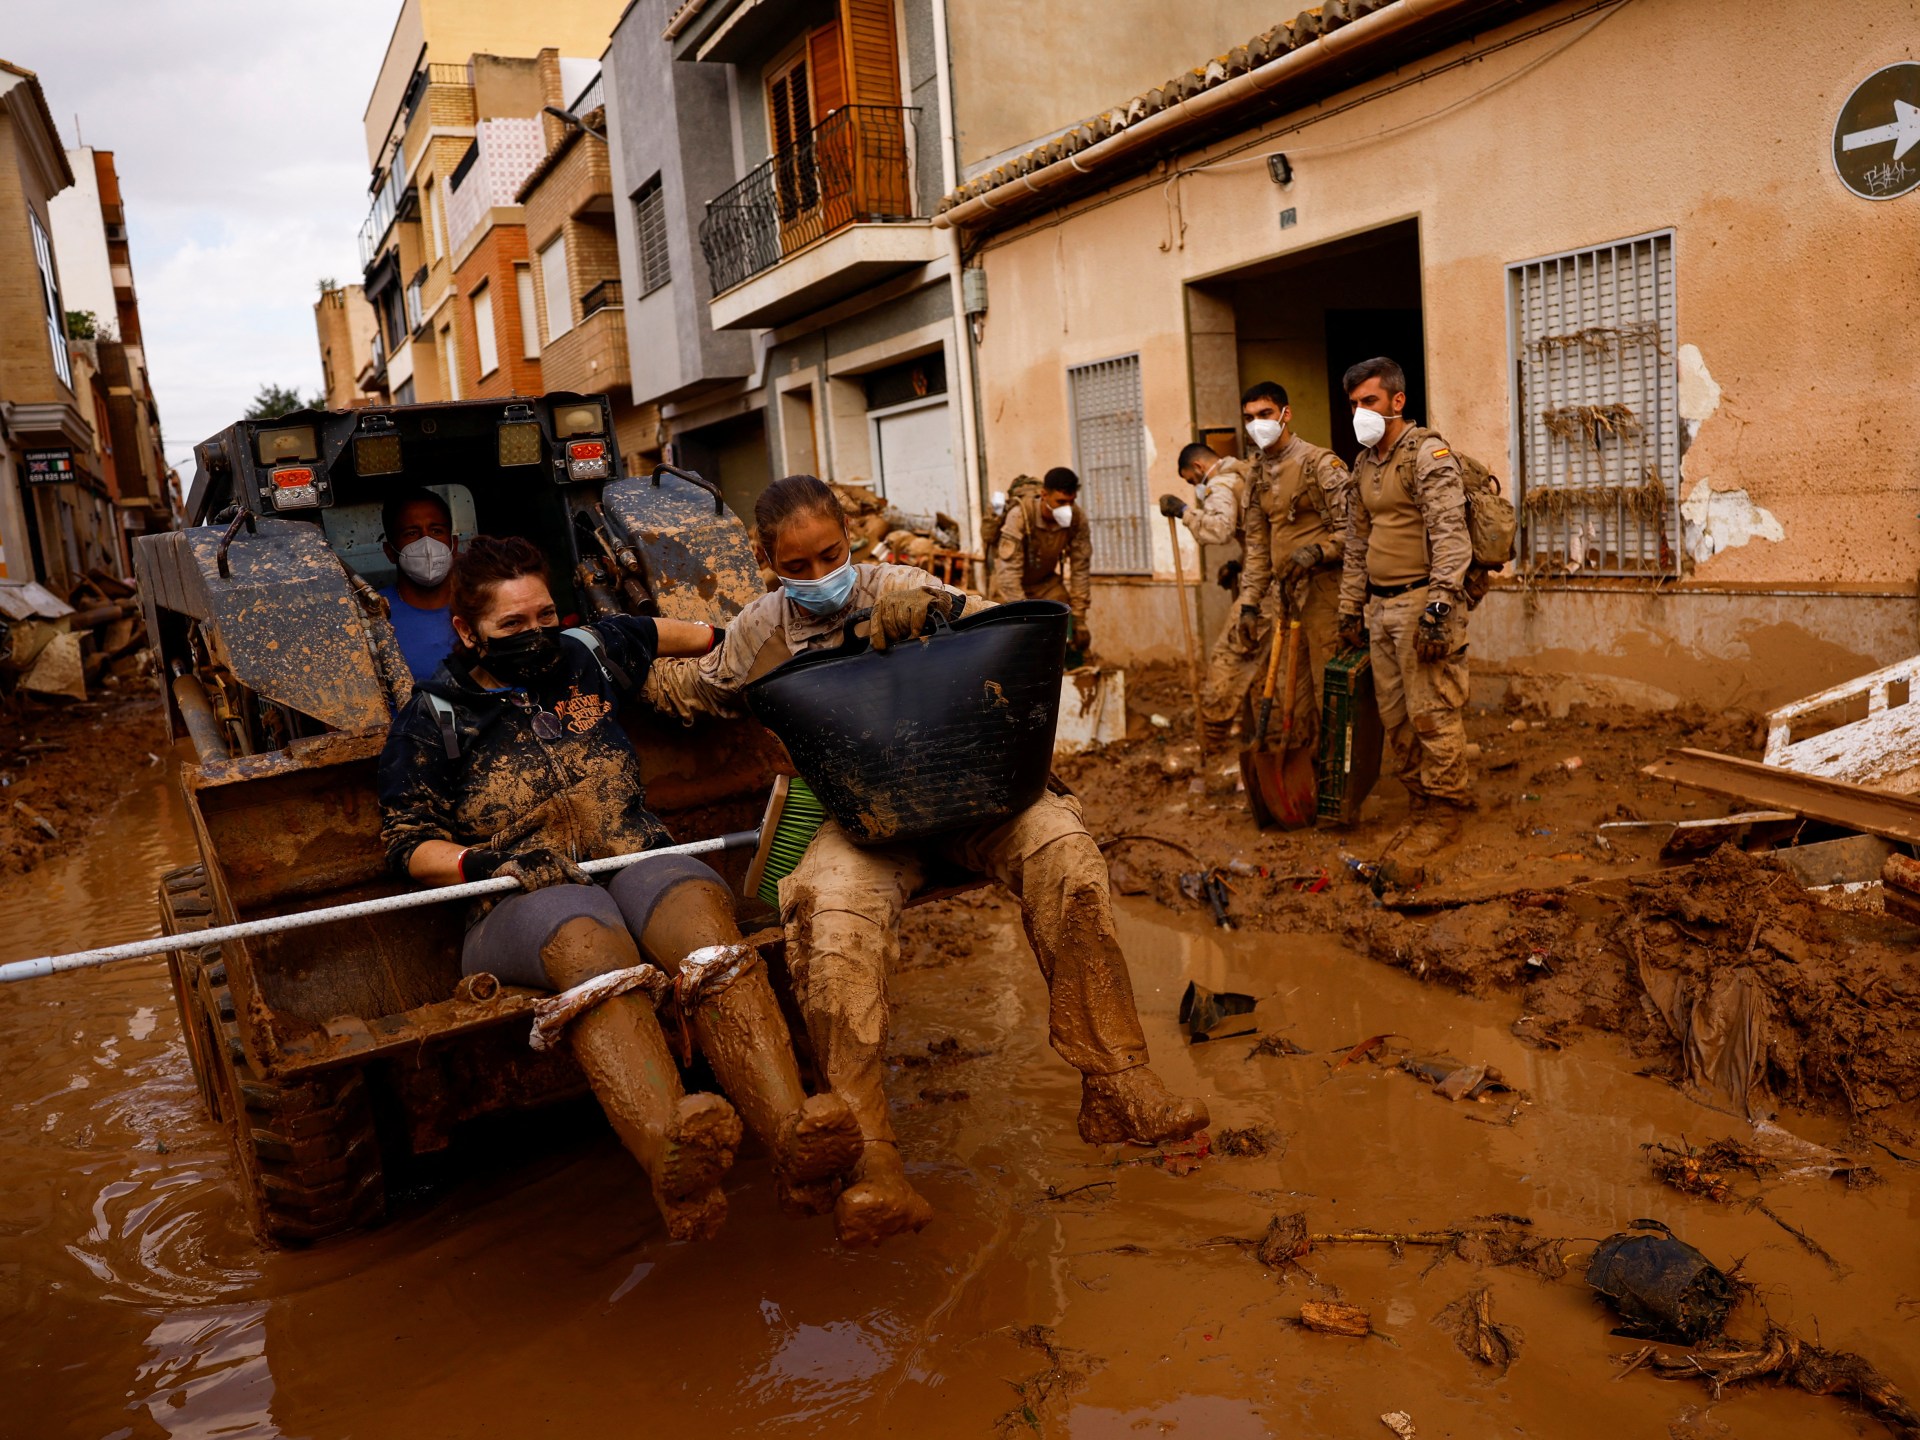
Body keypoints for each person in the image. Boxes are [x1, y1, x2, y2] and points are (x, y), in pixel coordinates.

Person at [647, 475, 1208, 1247]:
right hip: (865, 819)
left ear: (852, 540)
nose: (818, 577)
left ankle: (1117, 1080)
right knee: (829, 917)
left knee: (1065, 850)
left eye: (831, 555)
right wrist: (618, 657)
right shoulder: (758, 631)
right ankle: (874, 1161)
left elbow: (1015, 638)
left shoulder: (901, 585)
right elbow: (699, 690)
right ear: (765, 560)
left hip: (971, 790)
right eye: (796, 566)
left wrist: (942, 617)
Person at [377, 535, 862, 1241]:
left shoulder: (592, 650)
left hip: (636, 857)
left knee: (700, 915)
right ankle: (674, 1158)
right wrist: (482, 864)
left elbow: (702, 636)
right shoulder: (434, 717)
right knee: (586, 936)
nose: (535, 635)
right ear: (466, 631)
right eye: (511, 626)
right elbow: (406, 843)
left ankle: (793, 1136)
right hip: (518, 900)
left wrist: (789, 653)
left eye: (544, 616)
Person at [1334, 356, 1473, 869]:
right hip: (1379, 606)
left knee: (1433, 714)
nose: (1359, 413)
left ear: (1397, 401)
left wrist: (1440, 606)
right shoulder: (1364, 464)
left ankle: (1446, 809)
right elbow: (1355, 542)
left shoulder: (1428, 454)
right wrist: (1350, 607)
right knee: (1396, 718)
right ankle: (1421, 801)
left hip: (1422, 601)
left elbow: (1450, 535)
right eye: (1352, 404)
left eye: (1368, 401)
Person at [1233, 381, 1351, 759]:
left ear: (1286, 414)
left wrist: (1319, 551)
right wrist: (1249, 603)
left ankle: (1339, 779)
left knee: (1328, 691)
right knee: (1291, 695)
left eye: (1265, 415)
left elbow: (1356, 531)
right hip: (1284, 599)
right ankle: (1305, 778)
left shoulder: (1320, 464)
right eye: (1249, 418)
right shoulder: (1256, 474)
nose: (1257, 424)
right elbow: (1257, 548)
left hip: (1324, 595)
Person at [1158, 442, 1258, 753]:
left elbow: (1217, 530)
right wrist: (1238, 564)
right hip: (1261, 571)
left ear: (1199, 468)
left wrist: (1185, 512)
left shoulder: (1221, 483)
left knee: (1226, 662)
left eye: (1191, 481)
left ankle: (1213, 741)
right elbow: (1260, 537)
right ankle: (1250, 733)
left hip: (1266, 588)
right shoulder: (1244, 472)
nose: (1194, 486)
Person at [990, 466, 1092, 656]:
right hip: (1008, 588)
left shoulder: (1076, 519)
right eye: (1060, 502)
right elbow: (1008, 574)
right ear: (1044, 495)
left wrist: (1079, 619)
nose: (1066, 509)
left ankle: (1065, 668)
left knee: (1062, 614)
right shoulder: (1021, 515)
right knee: (1011, 642)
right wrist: (1025, 617)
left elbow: (1081, 569)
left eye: (1070, 502)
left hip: (1045, 584)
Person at [378, 487, 460, 681]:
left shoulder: (482, 604)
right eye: (411, 533)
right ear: (390, 551)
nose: (427, 543)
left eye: (436, 531)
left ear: (454, 545)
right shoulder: (374, 613)